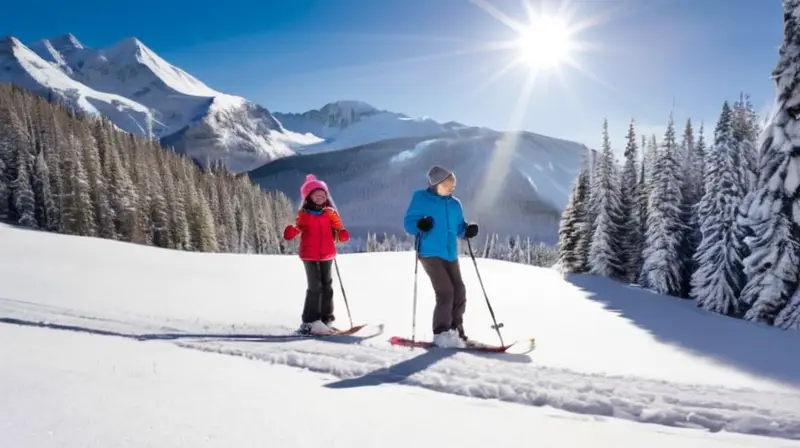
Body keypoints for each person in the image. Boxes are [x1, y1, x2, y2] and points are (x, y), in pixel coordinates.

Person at [403, 165, 479, 348]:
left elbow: (459, 227)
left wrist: (467, 230)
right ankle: (441, 332)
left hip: (450, 253)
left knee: (459, 291)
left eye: (453, 183)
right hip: (429, 252)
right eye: (448, 184)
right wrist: (420, 224)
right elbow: (409, 223)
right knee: (446, 292)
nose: (452, 187)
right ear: (436, 184)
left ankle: (455, 330)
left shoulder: (455, 204)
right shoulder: (421, 198)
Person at [283, 174, 350, 335]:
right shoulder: (304, 214)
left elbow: (338, 227)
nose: (320, 197)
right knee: (315, 287)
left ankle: (326, 319)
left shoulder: (330, 213)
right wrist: (291, 231)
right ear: (308, 197)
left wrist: (342, 234)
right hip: (309, 255)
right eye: (316, 195)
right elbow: (297, 227)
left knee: (327, 286)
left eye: (323, 195)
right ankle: (309, 321)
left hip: (327, 254)